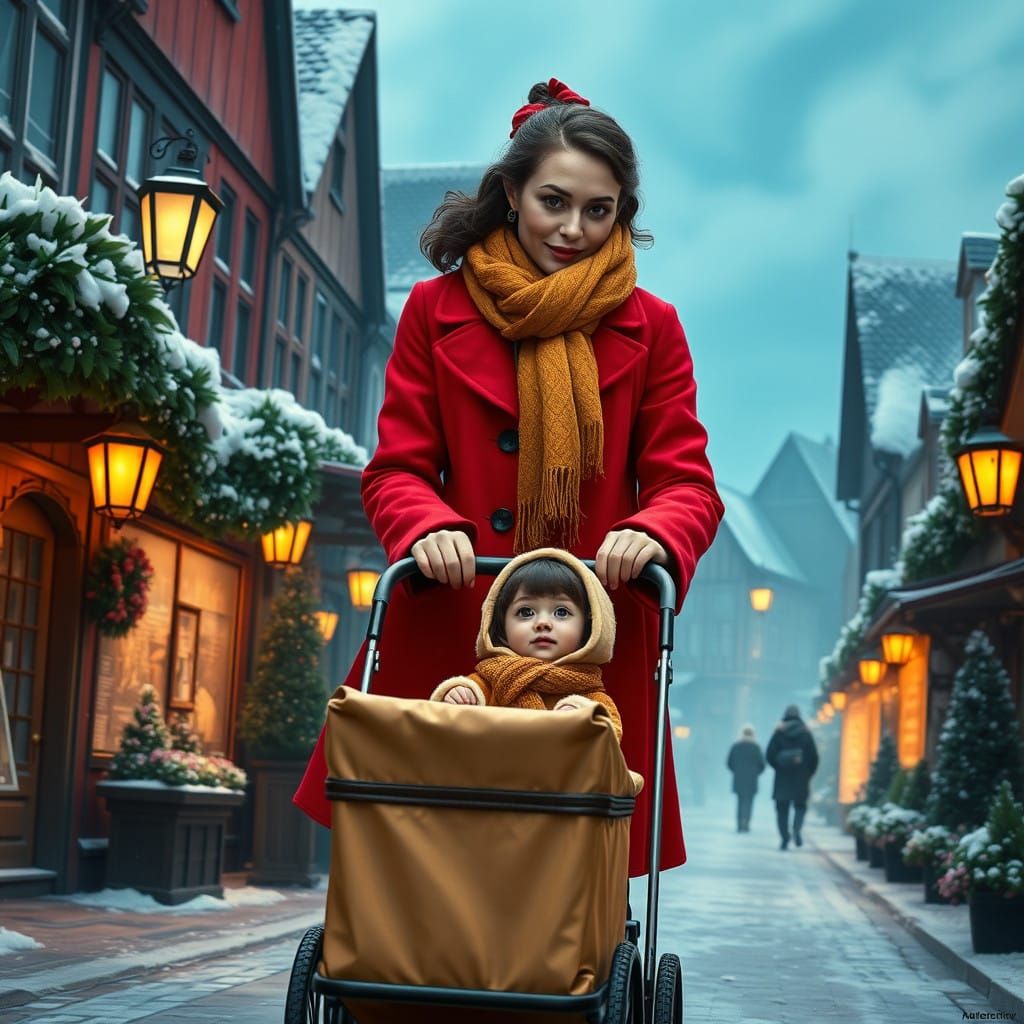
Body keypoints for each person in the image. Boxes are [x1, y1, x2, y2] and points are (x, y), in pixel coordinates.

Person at [293, 77, 724, 876]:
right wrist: (426, 526)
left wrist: (651, 532)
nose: (574, 228)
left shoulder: (653, 328)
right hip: (456, 614)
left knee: (566, 863)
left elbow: (689, 486)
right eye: (554, 201)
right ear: (512, 192)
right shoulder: (434, 309)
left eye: (600, 210)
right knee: (425, 853)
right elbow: (397, 468)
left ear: (622, 212)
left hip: (587, 635)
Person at [431, 548, 622, 740]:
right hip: (491, 768)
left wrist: (584, 717)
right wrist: (458, 694)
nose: (543, 623)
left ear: (589, 627)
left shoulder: (589, 691)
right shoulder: (490, 680)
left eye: (561, 612)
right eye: (526, 612)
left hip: (559, 770)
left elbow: (610, 736)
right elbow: (445, 723)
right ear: (500, 625)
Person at [765, 705, 819, 850]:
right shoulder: (806, 734)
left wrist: (778, 765)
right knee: (800, 807)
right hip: (801, 778)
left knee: (782, 810)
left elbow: (769, 755)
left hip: (782, 778)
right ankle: (796, 829)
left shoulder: (778, 733)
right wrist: (808, 773)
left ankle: (784, 838)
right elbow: (814, 757)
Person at [726, 724, 765, 832]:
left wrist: (736, 771)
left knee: (740, 802)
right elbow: (762, 765)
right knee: (749, 802)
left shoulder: (736, 746)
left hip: (739, 779)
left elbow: (729, 762)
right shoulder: (756, 747)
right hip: (752, 780)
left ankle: (739, 824)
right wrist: (756, 773)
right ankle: (746, 824)